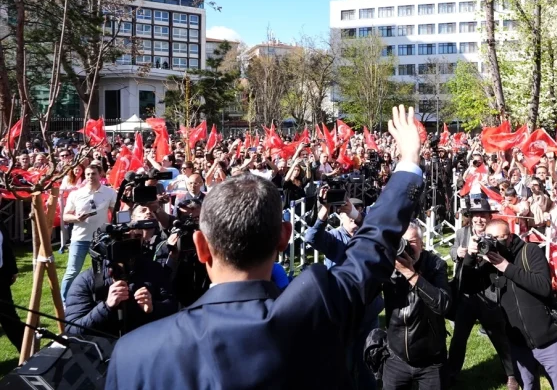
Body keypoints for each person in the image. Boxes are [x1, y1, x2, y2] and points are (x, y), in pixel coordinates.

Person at [105, 105, 424, 389]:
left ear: (201, 246)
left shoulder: (134, 354)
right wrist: (408, 160)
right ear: (284, 238)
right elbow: (371, 245)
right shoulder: (318, 311)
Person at [480, 219, 557, 390]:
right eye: (490, 238)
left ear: (509, 237)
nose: (494, 243)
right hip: (519, 344)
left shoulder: (530, 251)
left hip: (549, 340)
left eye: (498, 238)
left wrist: (507, 267)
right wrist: (467, 257)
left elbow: (543, 286)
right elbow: (466, 287)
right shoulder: (489, 262)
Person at [304, 192, 380, 390]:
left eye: (356, 214)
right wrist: (324, 210)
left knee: (369, 362)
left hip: (368, 310)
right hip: (342, 312)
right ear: (340, 218)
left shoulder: (369, 236)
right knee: (342, 365)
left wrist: (358, 216)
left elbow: (380, 233)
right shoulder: (335, 238)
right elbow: (311, 237)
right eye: (348, 215)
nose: (353, 220)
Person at [64, 204, 177, 336]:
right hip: (106, 351)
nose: (131, 244)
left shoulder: (154, 269)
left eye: (137, 238)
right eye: (125, 238)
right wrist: (106, 307)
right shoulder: (87, 280)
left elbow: (174, 308)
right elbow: (73, 329)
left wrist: (154, 307)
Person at [448, 198, 517, 390]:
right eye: (476, 215)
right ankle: (451, 373)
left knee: (499, 336)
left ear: (489, 217)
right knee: (459, 338)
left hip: (490, 291)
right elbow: (453, 250)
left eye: (483, 215)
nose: (479, 219)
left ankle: (511, 374)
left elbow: (507, 255)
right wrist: (459, 253)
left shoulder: (494, 233)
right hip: (467, 294)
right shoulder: (462, 233)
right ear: (470, 218)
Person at [380, 222, 450, 390]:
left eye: (411, 242)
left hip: (430, 360)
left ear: (422, 243)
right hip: (396, 357)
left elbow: (443, 305)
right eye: (400, 242)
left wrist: (410, 274)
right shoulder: (388, 264)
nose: (406, 247)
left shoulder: (435, 264)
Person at [60, 165, 117, 305]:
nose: (90, 177)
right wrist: (77, 218)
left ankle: (103, 298)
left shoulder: (110, 193)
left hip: (101, 239)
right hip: (80, 238)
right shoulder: (76, 194)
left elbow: (115, 214)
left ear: (100, 174)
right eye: (88, 174)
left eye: (93, 174)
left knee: (105, 270)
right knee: (72, 271)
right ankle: (64, 302)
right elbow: (65, 216)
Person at [0, 223, 23, 352]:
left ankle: (27, 352)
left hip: (1, 275)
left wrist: (12, 269)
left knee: (9, 317)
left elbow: (6, 246)